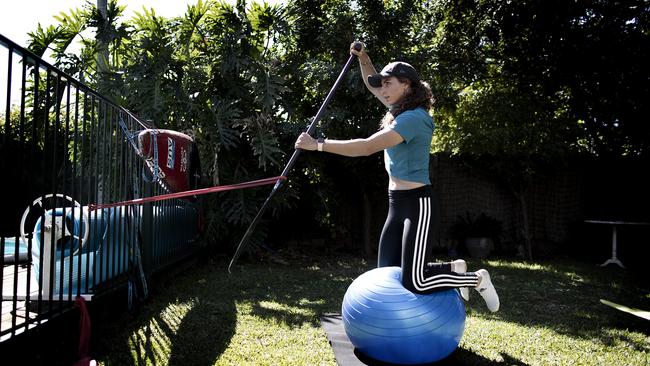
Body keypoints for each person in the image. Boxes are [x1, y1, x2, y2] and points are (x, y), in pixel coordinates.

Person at [295, 43, 499, 312]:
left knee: (415, 282)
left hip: (418, 203)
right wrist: (364, 58)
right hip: (396, 201)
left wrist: (319, 144)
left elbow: (367, 146)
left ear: (407, 86)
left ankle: (476, 279)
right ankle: (452, 268)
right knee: (387, 271)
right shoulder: (397, 111)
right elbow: (371, 85)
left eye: (389, 84)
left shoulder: (414, 118)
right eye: (383, 84)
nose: (383, 90)